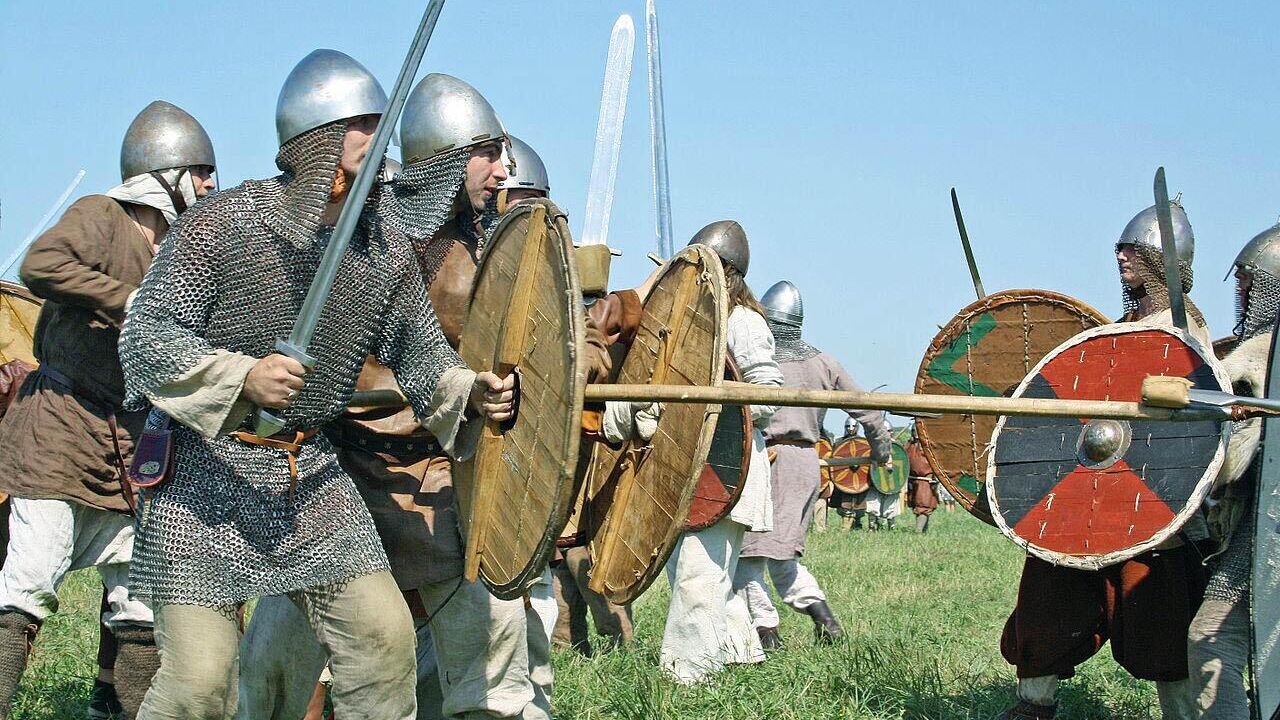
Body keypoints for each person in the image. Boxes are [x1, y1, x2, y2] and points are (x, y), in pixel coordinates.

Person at [118, 51, 516, 720]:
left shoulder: (381, 245)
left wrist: (467, 391)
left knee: (383, 646)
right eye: (360, 123)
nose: (377, 136)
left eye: (380, 122)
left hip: (311, 476)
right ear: (314, 136)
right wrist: (241, 376)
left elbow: (421, 354)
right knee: (198, 686)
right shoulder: (229, 222)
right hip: (202, 476)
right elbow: (146, 337)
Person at [0, 100, 215, 719]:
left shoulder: (182, 249)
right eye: (202, 172)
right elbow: (41, 264)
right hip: (60, 431)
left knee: (139, 607)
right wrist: (131, 301)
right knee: (26, 589)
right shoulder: (103, 215)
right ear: (167, 171)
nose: (210, 186)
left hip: (131, 445)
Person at [996, 201, 1211, 720]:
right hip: (1088, 490)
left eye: (1133, 250)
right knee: (1048, 597)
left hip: (1150, 504)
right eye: (1120, 249)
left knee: (1161, 622)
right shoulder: (1119, 330)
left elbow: (1192, 425)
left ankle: (1183, 715)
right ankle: (1034, 704)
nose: (1120, 256)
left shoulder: (1186, 331)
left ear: (1164, 261)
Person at [654, 221, 783, 682]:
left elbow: (767, 396)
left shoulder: (743, 322)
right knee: (702, 575)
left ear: (728, 273)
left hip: (728, 466)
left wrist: (712, 406)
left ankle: (687, 677)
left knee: (699, 577)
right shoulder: (694, 322)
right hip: (693, 464)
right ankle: (742, 656)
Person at [734, 280, 892, 648]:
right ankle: (825, 619)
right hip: (806, 464)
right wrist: (882, 452)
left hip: (767, 459)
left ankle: (766, 634)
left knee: (747, 556)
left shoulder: (755, 359)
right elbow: (868, 411)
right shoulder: (824, 362)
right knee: (781, 556)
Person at [1187, 222, 1280, 718]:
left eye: (1249, 279)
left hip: (1268, 530)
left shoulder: (1258, 359)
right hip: (1260, 522)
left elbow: (1232, 461)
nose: (1240, 288)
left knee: (1212, 637)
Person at [858, 416, 901, 531]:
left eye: (889, 431)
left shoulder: (897, 448)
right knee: (873, 506)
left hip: (891, 482)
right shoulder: (873, 446)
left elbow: (902, 466)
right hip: (875, 481)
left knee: (891, 507)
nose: (887, 433)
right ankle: (872, 527)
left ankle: (891, 528)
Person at [905, 424, 939, 533]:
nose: (915, 433)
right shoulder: (909, 445)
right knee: (916, 505)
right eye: (914, 431)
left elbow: (937, 462)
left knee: (923, 505)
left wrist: (935, 477)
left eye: (917, 430)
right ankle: (923, 530)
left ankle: (918, 531)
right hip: (913, 480)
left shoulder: (929, 445)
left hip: (926, 481)